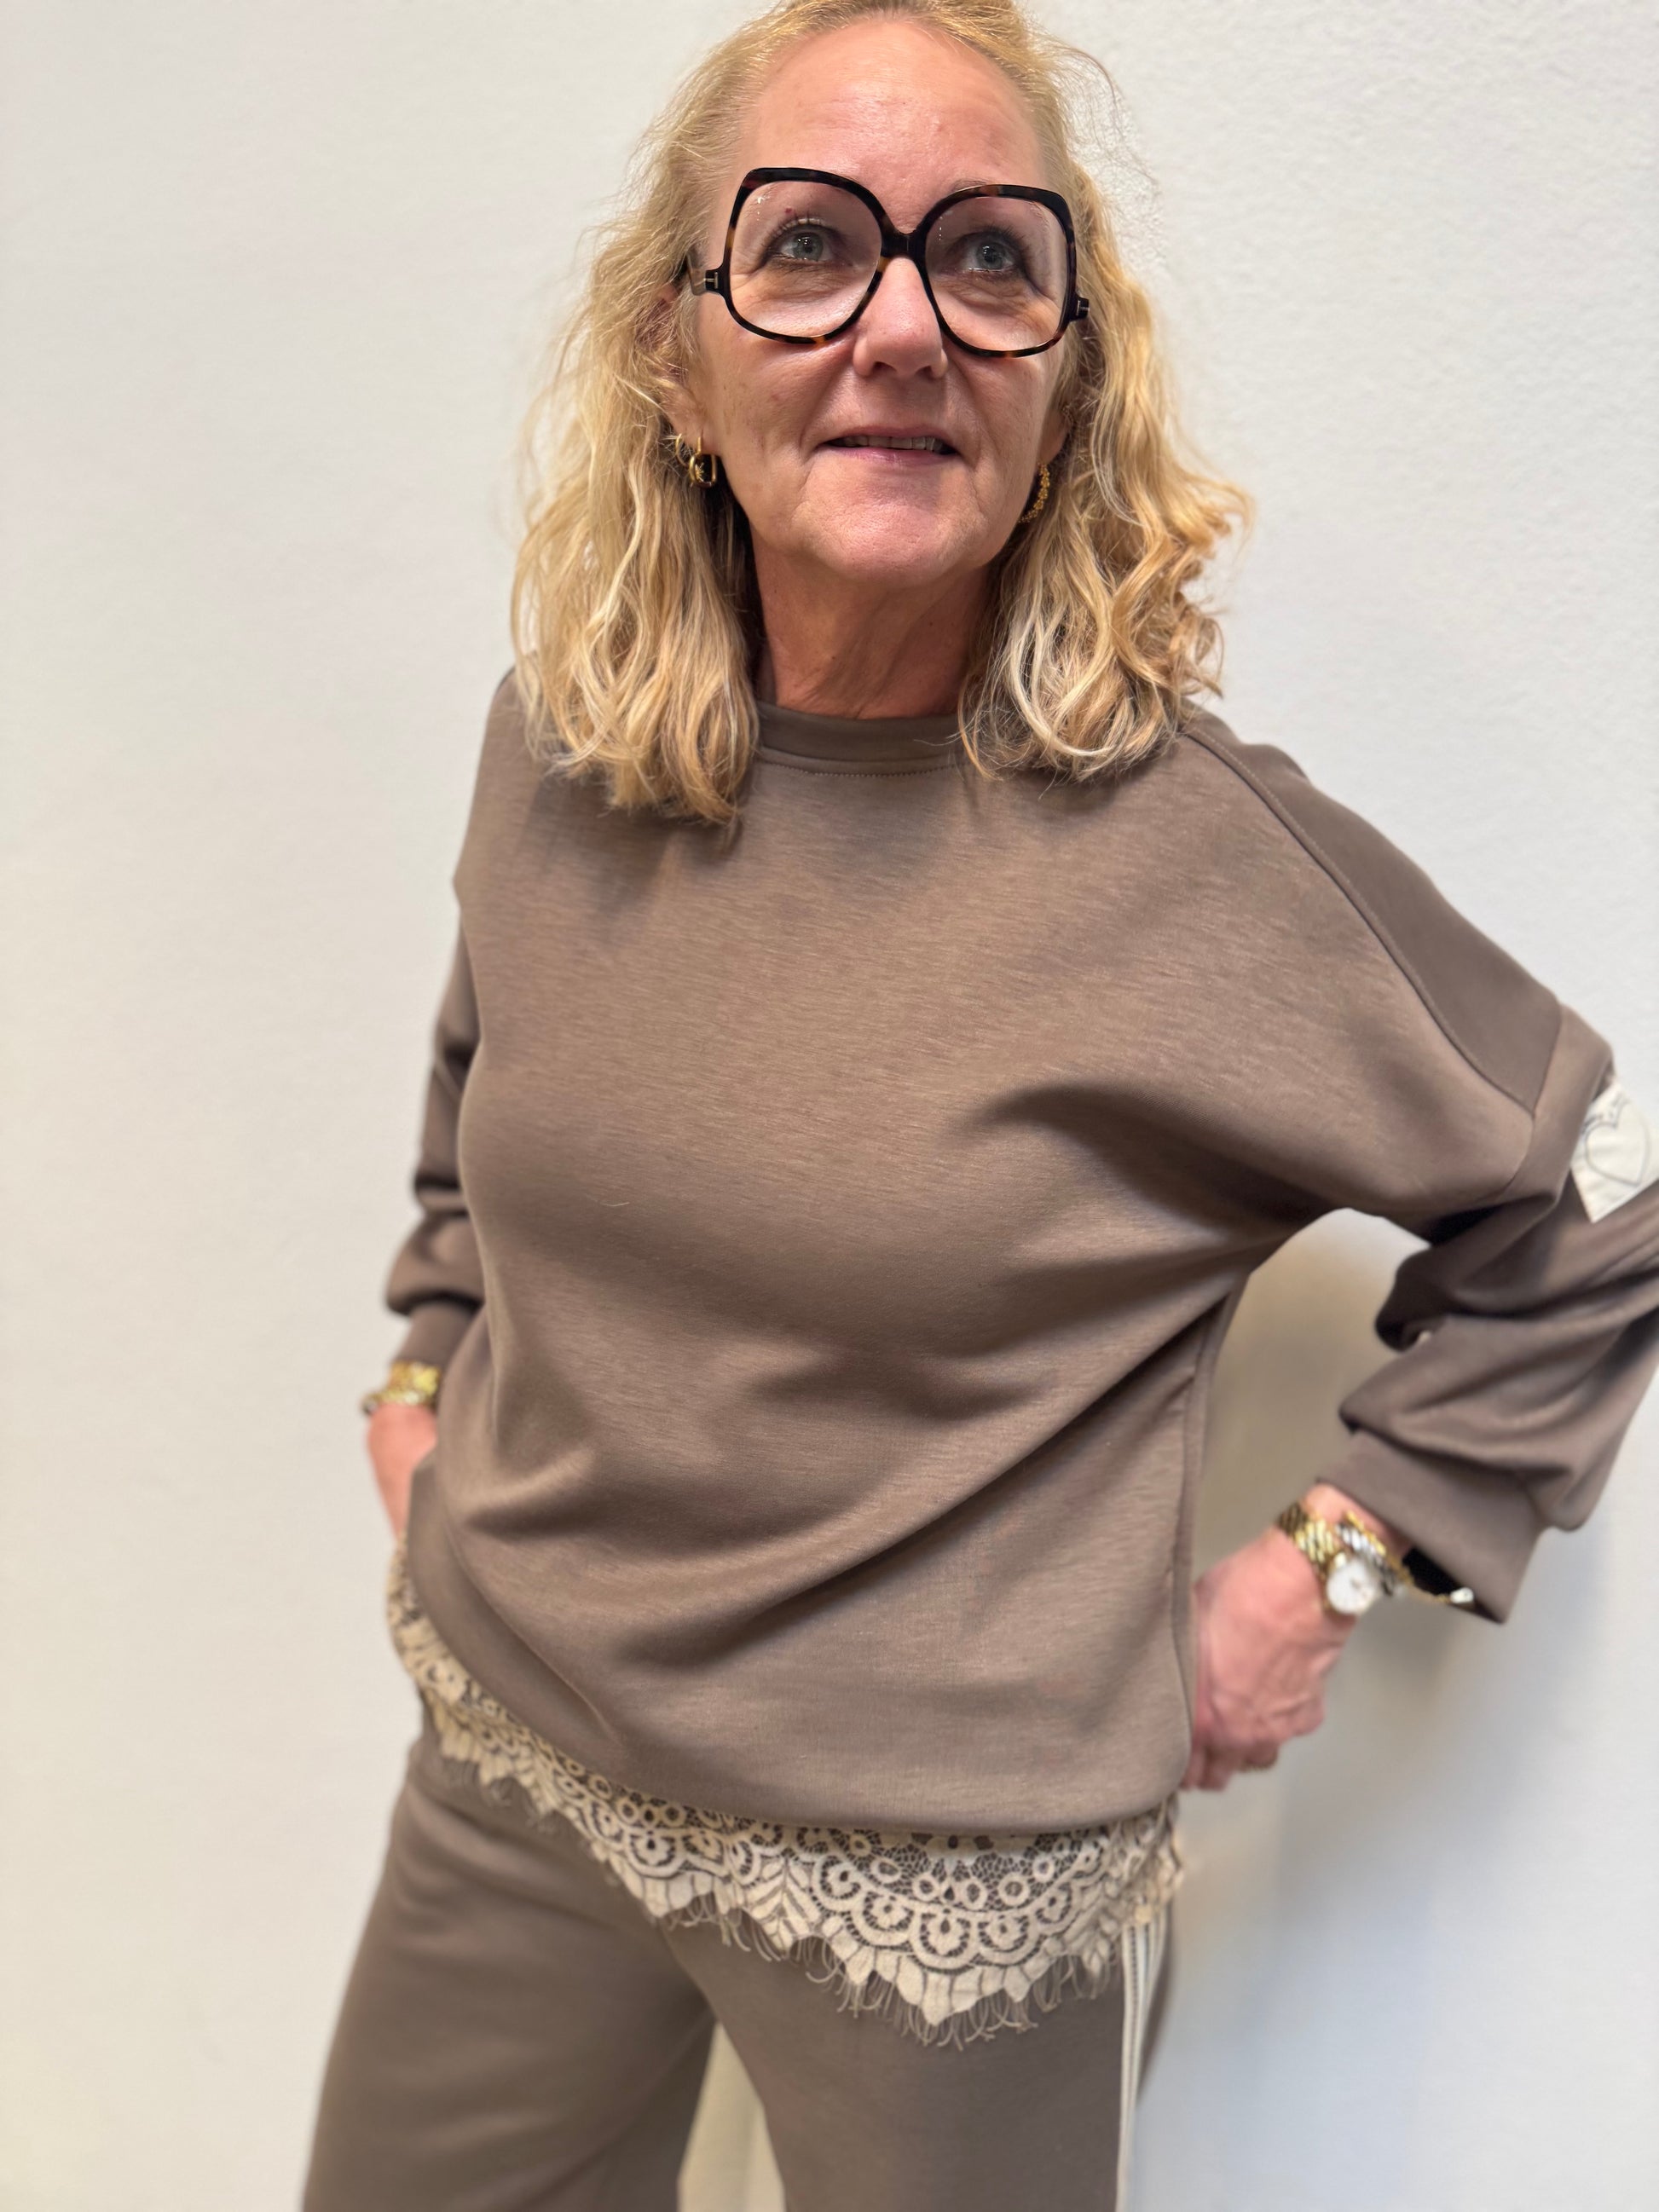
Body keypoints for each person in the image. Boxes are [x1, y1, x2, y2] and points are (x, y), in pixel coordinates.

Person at [301, 3, 1659, 2206]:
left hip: (946, 1896)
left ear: (1063, 379)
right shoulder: (563, 739)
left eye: (989, 259)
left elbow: (1599, 1203)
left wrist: (1332, 1559)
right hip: (513, 1761)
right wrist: (421, 1349)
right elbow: (492, 1078)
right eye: (810, 245)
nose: (904, 326)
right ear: (673, 355)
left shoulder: (1195, 863)